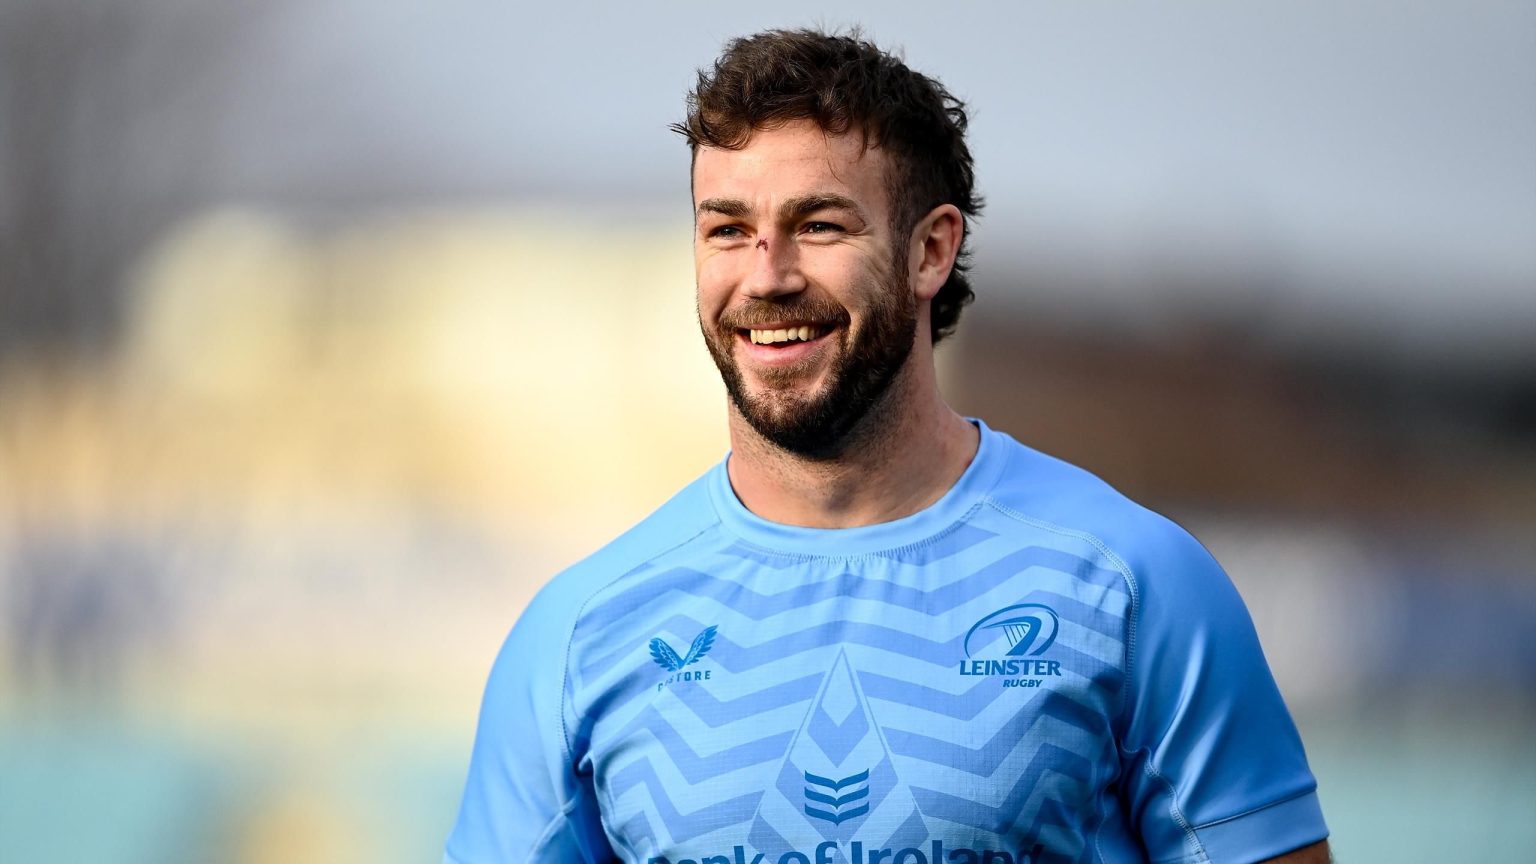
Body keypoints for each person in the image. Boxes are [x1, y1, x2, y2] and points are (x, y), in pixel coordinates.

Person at [445, 28, 1330, 864]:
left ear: (930, 251)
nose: (767, 275)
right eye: (728, 230)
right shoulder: (580, 632)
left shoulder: (1134, 585)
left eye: (820, 225)